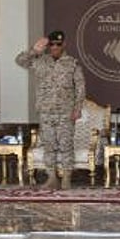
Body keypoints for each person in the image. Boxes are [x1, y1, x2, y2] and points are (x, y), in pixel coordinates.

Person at [14, 31, 86, 189]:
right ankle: (52, 177)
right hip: (46, 111)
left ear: (64, 44)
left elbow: (80, 87)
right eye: (51, 44)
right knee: (49, 145)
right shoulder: (40, 61)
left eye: (58, 44)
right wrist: (34, 50)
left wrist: (78, 108)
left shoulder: (72, 63)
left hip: (65, 112)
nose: (54, 47)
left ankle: (66, 177)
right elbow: (19, 60)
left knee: (66, 145)